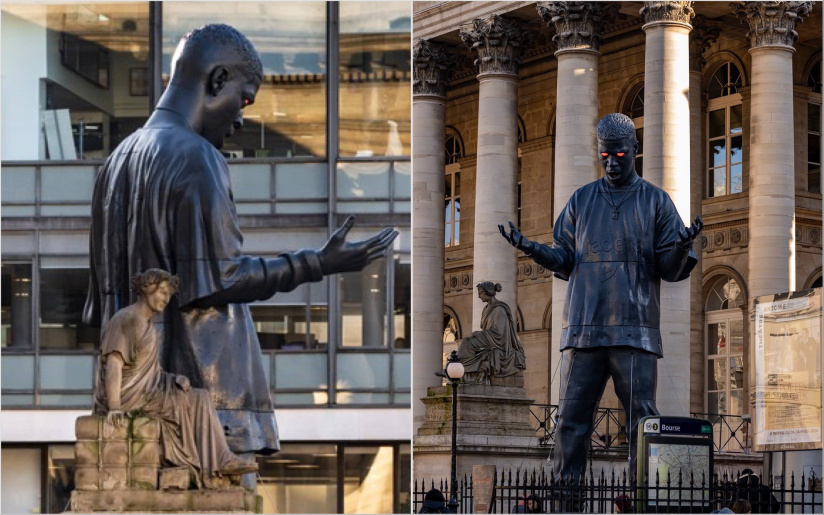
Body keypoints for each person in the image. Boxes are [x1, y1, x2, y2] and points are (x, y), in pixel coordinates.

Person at [83, 23, 397, 464]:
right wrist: (319, 262)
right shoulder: (196, 156)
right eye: (244, 98)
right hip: (204, 408)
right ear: (217, 81)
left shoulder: (113, 166)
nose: (241, 118)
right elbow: (222, 276)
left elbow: (99, 305)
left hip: (134, 409)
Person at [499, 113, 703, 481]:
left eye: (619, 156)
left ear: (634, 150)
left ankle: (645, 501)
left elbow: (670, 268)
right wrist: (531, 248)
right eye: (605, 155)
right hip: (585, 329)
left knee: (643, 420)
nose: (611, 163)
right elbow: (563, 258)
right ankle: (566, 500)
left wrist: (682, 244)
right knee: (570, 421)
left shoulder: (656, 201)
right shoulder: (581, 199)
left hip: (634, 332)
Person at [93, 269, 258, 489]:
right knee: (195, 401)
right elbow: (114, 363)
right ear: (147, 289)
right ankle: (215, 464)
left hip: (147, 392)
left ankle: (218, 461)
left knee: (198, 397)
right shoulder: (127, 319)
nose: (165, 299)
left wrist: (173, 379)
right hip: (130, 397)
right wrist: (114, 406)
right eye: (162, 292)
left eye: (168, 294)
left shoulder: (148, 326)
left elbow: (149, 372)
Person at [457, 282, 526, 384]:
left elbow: (499, 333)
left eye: (480, 293)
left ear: (487, 292)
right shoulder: (485, 309)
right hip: (489, 338)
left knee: (468, 342)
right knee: (467, 342)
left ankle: (459, 369)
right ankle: (461, 371)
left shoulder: (499, 309)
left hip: (497, 341)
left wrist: (480, 334)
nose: (479, 296)